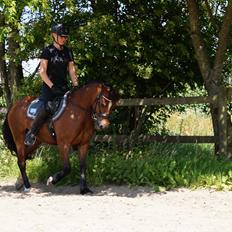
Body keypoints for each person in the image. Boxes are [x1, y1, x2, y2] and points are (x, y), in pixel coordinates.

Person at [24, 23, 78, 146]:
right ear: (54, 35)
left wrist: (76, 85)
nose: (64, 39)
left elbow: (71, 70)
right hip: (49, 88)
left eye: (65, 37)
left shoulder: (68, 52)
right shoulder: (48, 51)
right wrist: (52, 87)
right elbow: (42, 72)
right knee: (48, 106)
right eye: (62, 36)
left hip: (64, 88)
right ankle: (31, 134)